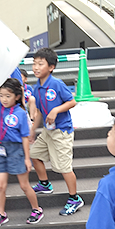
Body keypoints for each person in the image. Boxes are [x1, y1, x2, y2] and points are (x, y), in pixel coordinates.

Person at [29, 47, 84, 216]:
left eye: (40, 64)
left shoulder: (57, 84)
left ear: (51, 67)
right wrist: (32, 131)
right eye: (34, 64)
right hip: (47, 131)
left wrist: (56, 110)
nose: (36, 67)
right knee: (34, 153)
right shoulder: (36, 88)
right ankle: (45, 184)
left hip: (62, 132)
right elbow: (38, 112)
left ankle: (74, 198)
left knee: (64, 167)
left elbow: (72, 102)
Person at [0, 78, 43, 226]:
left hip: (16, 149)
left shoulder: (20, 113)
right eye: (1, 95)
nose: (4, 99)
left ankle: (36, 209)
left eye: (8, 96)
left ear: (17, 96)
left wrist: (27, 158)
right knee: (0, 185)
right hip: (0, 147)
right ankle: (1, 214)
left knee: (24, 185)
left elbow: (25, 137)